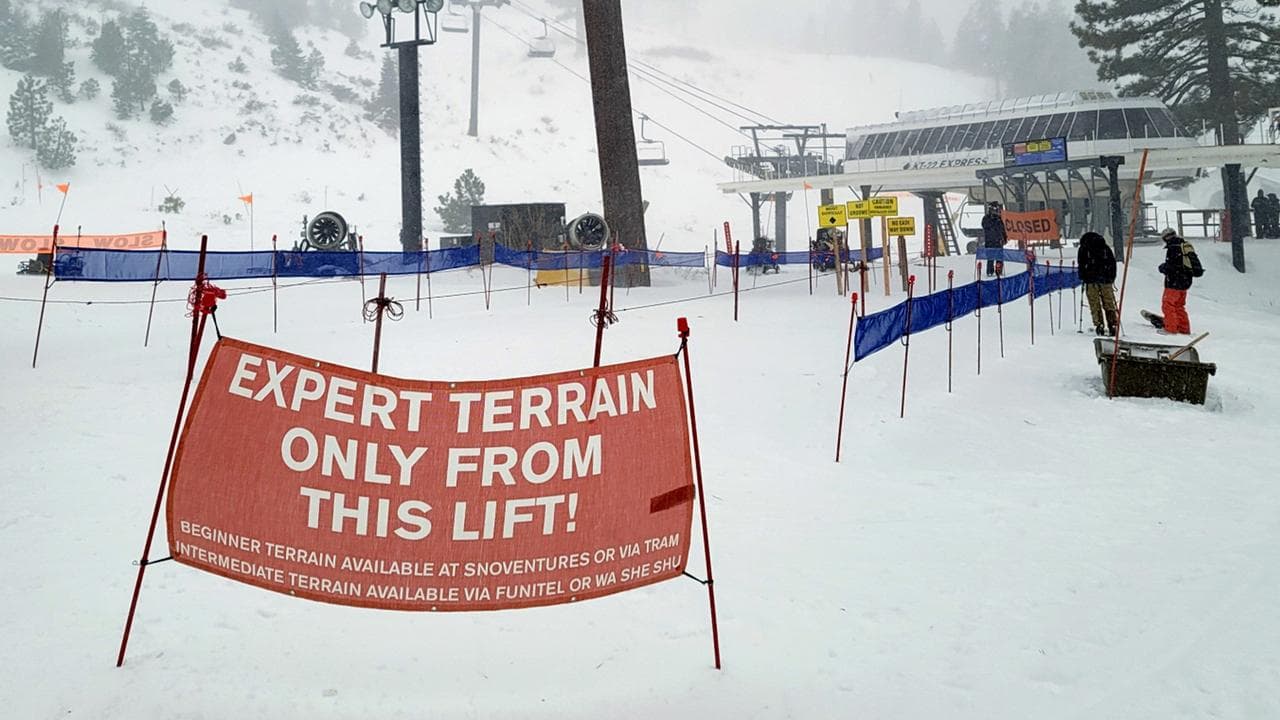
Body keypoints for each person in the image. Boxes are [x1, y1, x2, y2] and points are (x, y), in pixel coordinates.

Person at [1157, 228, 1205, 335]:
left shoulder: (1173, 247)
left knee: (1168, 304)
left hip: (1174, 282)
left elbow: (1173, 266)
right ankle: (1184, 328)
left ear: (1166, 237)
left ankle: (1171, 328)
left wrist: (1163, 268)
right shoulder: (1183, 245)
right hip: (1185, 281)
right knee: (1179, 305)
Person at [1077, 231, 1118, 336]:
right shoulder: (1104, 247)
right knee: (1109, 302)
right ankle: (1112, 324)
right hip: (1105, 279)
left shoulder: (1083, 249)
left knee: (1094, 304)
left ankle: (1099, 324)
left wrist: (1083, 276)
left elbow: (1081, 265)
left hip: (1091, 280)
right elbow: (1112, 263)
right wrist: (1111, 277)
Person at [981, 201, 1007, 277]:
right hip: (990, 241)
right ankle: (990, 271)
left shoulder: (998, 219)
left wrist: (1004, 238)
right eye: (994, 209)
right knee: (990, 258)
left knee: (999, 257)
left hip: (998, 241)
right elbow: (985, 226)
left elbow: (1002, 229)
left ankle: (999, 271)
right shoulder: (986, 218)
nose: (996, 211)